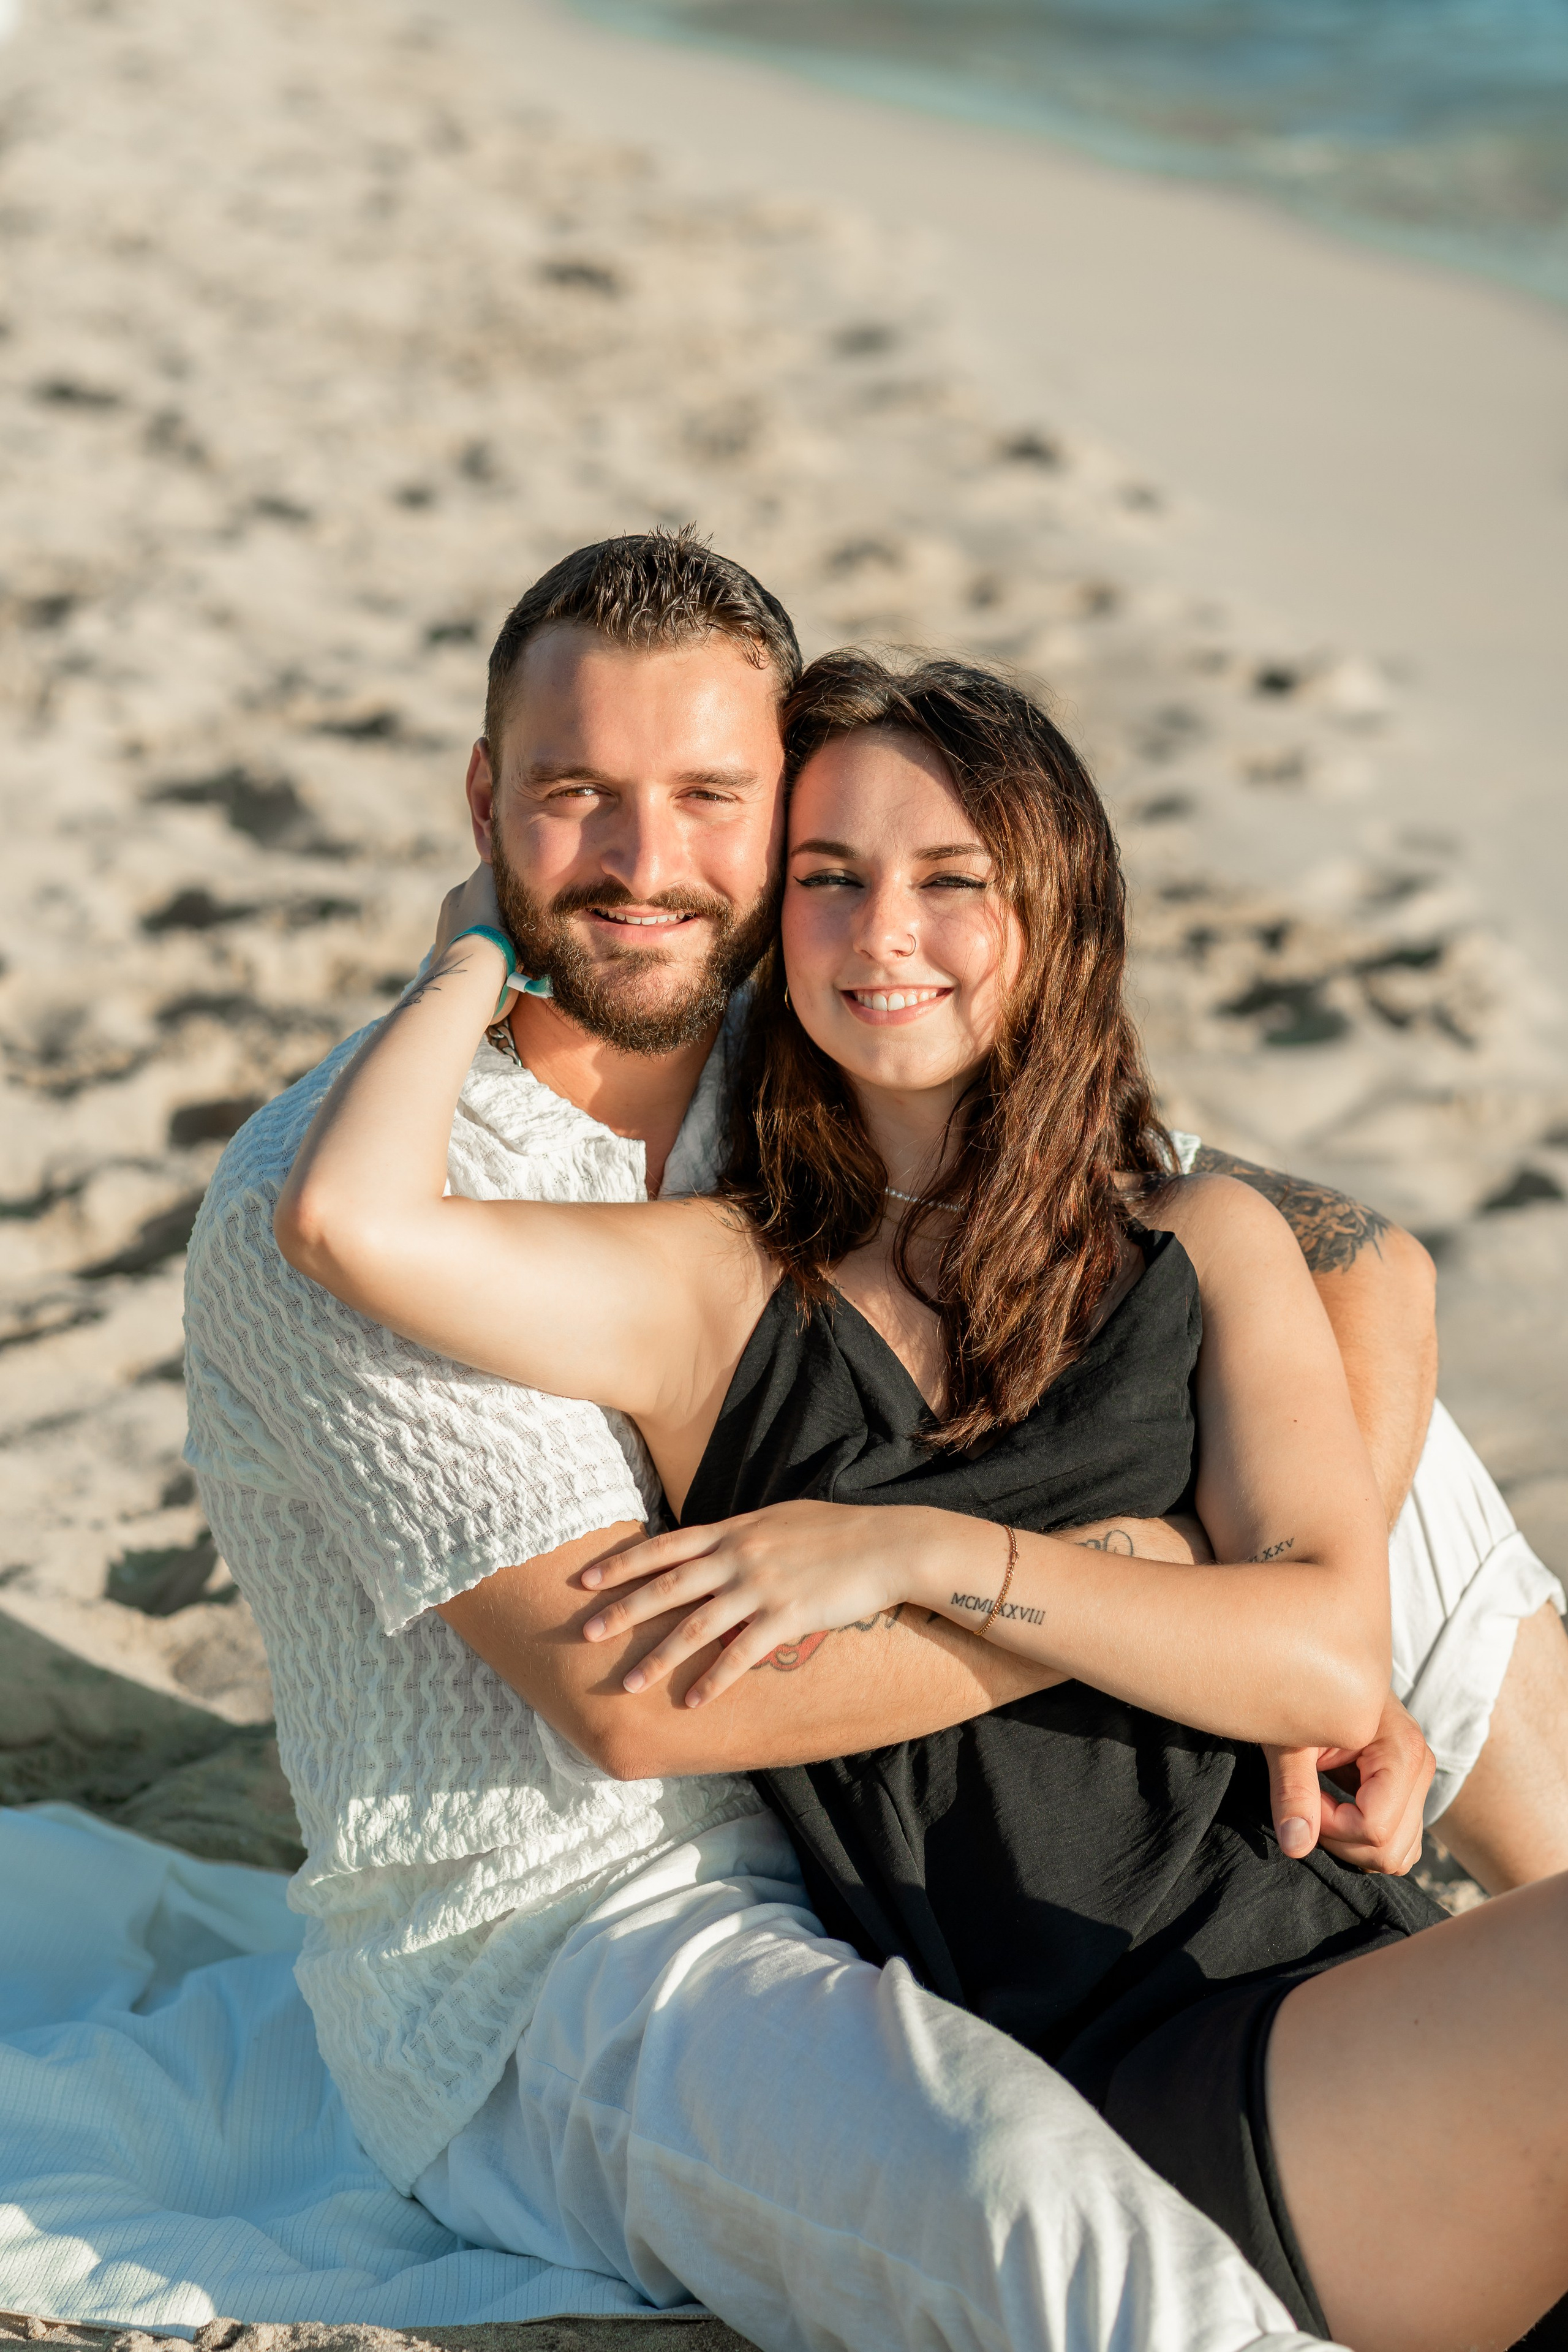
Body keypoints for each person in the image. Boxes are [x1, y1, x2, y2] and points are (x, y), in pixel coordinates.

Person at [184, 532, 1566, 2352]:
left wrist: (1312, 1649)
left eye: (710, 801)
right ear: (484, 805)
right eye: (574, 796)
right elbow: (640, 1707)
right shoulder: (538, 1211)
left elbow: (1350, 1257)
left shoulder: (848, 1031)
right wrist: (1151, 1579)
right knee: (1045, 2228)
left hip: (1195, 1892)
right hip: (587, 1919)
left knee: (1326, 1430)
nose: (643, 863)